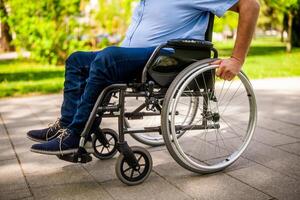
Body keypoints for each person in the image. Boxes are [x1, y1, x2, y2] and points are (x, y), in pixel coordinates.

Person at [28, 0, 260, 155]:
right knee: (77, 59)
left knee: (108, 58)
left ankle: (75, 135)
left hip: (167, 59)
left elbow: (251, 5)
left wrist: (237, 59)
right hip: (135, 57)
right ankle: (67, 125)